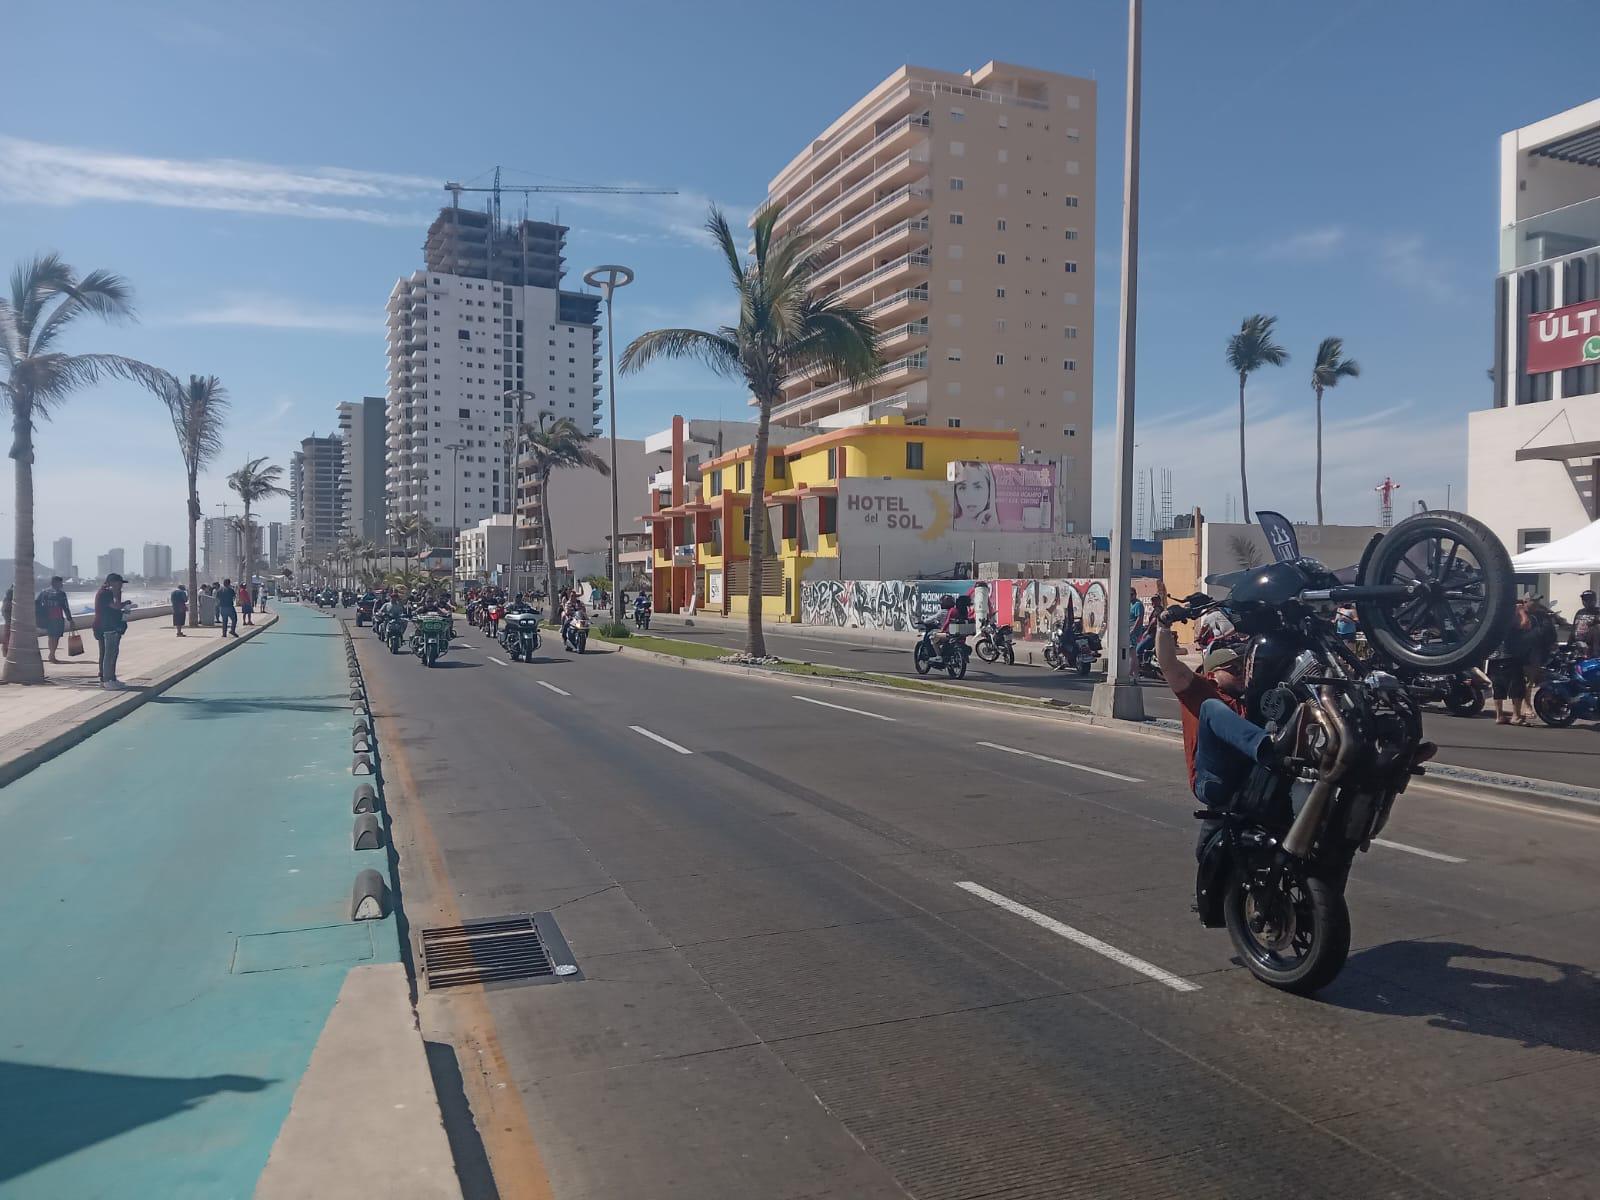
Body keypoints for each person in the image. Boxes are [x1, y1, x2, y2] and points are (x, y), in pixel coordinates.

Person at [1155, 603, 1278, 857]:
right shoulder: (1199, 689)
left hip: (1245, 780)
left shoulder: (1249, 700)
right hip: (1212, 778)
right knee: (1210, 708)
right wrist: (1163, 625)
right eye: (1234, 669)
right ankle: (1264, 746)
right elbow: (1168, 664)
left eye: (1243, 670)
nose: (1241, 675)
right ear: (1215, 671)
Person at [1487, 600, 1537, 726]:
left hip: (1494, 656)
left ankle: (1499, 715)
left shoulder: (1493, 617)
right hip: (1509, 655)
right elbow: (1526, 625)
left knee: (1498, 685)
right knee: (1516, 686)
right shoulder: (1508, 619)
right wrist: (1521, 612)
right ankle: (1516, 716)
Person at [93, 572, 129, 689]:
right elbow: (116, 606)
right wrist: (124, 602)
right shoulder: (105, 593)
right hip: (105, 627)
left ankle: (110, 678)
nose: (121, 586)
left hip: (108, 626)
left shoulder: (108, 593)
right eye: (119, 584)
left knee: (110, 653)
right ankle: (107, 679)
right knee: (109, 653)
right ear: (112, 583)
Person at [35, 575, 76, 663]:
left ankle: (52, 654)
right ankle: (52, 655)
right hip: (55, 618)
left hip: (51, 618)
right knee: (54, 637)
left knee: (53, 637)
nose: (62, 584)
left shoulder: (44, 592)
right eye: (60, 583)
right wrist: (70, 620)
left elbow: (37, 604)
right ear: (54, 583)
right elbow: (66, 607)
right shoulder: (60, 594)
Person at [1572, 590, 1600, 658]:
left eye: (1589, 599)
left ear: (1594, 600)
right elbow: (1574, 629)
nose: (1586, 601)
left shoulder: (1598, 612)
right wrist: (1569, 643)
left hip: (1593, 651)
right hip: (1578, 649)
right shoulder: (1580, 612)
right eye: (1584, 599)